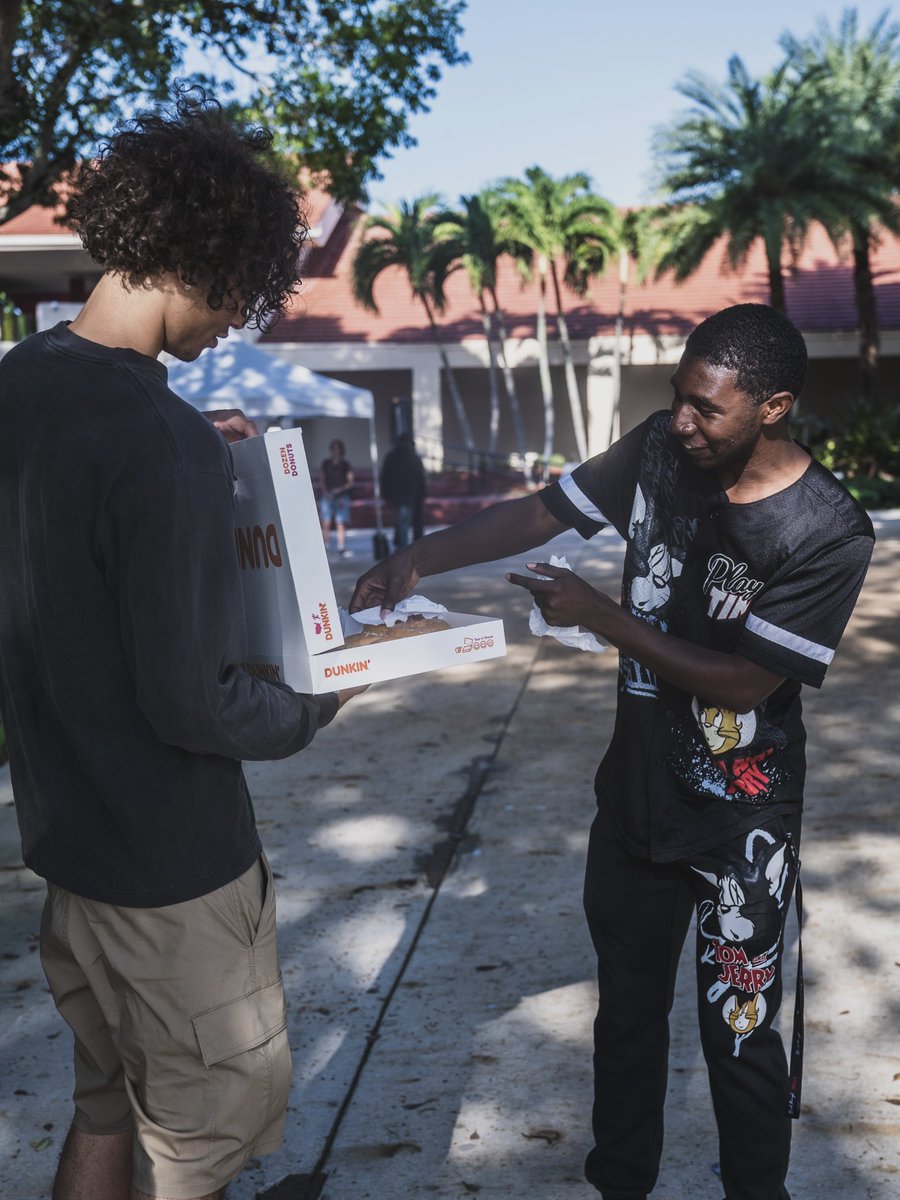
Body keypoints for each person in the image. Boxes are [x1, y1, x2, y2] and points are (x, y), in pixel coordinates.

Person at [351, 304, 874, 1200]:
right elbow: (544, 511)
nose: (681, 420)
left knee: (740, 1037)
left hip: (742, 829)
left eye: (707, 408)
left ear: (774, 407)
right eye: (678, 396)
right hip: (633, 805)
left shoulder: (828, 529)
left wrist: (604, 618)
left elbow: (745, 684)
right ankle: (620, 1184)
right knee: (626, 1023)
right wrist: (420, 557)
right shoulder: (659, 451)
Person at [0, 95, 365, 1200]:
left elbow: (77, 515)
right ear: (207, 261)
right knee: (198, 1146)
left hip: (69, 843)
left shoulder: (21, 386)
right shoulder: (161, 442)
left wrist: (188, 449)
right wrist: (322, 693)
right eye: (241, 296)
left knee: (105, 1101)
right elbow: (194, 701)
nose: (233, 327)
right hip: (172, 872)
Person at [380, 430, 426, 549]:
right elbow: (420, 478)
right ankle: (403, 548)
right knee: (404, 522)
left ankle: (401, 545)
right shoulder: (414, 458)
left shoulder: (391, 457)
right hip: (410, 495)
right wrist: (422, 494)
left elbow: (385, 478)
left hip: (397, 496)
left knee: (401, 521)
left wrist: (385, 494)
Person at [319, 437, 354, 556]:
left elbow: (350, 482)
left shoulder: (345, 464)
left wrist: (340, 490)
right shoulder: (326, 464)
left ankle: (341, 547)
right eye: (333, 448)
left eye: (337, 449)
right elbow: (322, 480)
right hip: (328, 496)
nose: (335, 451)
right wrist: (326, 493)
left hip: (341, 496)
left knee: (340, 522)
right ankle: (326, 546)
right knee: (326, 522)